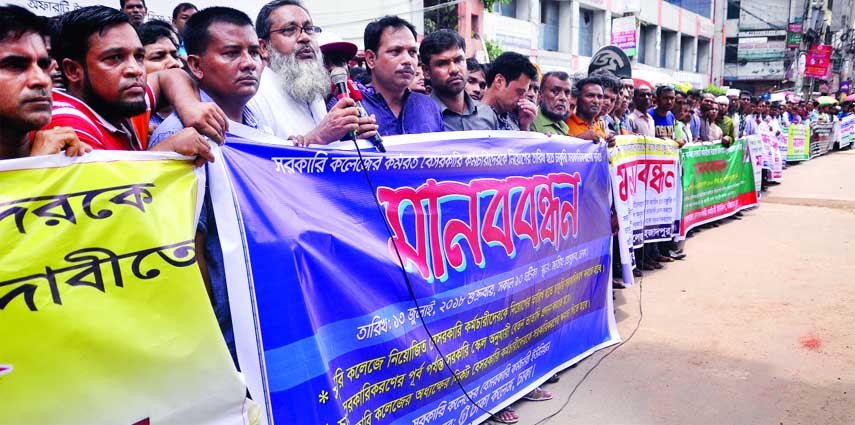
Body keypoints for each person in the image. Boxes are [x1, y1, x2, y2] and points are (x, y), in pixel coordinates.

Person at [148, 7, 267, 365]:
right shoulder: (180, 136)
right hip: (226, 336)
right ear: (196, 67)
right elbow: (187, 247)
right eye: (232, 53)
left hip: (262, 317)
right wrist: (208, 341)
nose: (248, 63)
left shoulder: (253, 122)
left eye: (254, 53)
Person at [47, 6, 223, 159]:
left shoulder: (121, 100)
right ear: (73, 70)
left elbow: (169, 77)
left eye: (139, 57)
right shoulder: (67, 127)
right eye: (114, 58)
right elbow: (106, 195)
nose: (135, 69)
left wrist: (190, 107)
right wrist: (163, 153)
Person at [250, 0, 375, 145]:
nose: (305, 37)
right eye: (289, 29)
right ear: (264, 47)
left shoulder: (310, 90)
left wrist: (350, 141)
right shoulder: (254, 96)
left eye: (309, 29)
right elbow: (258, 162)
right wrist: (317, 137)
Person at [0, 5, 90, 160]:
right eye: (14, 65)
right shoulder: (43, 162)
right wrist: (35, 174)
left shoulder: (66, 153)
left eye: (43, 65)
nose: (41, 79)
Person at [359, 16, 442, 136]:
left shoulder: (429, 107)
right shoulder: (349, 108)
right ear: (371, 59)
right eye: (396, 51)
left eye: (412, 52)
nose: (408, 60)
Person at [419, 29, 497, 131]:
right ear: (427, 71)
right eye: (442, 63)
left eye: (458, 60)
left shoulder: (486, 114)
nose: (454, 69)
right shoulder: (419, 119)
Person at [137, 20, 182, 129]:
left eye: (175, 56)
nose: (174, 63)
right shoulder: (127, 122)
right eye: (158, 57)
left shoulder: (203, 109)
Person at [481, 52, 538, 131]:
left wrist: (524, 125)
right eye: (520, 92)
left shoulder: (512, 118)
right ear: (499, 81)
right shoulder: (474, 119)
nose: (522, 99)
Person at [530, 71, 571, 136]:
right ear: (540, 95)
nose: (563, 98)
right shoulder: (530, 122)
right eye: (555, 91)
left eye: (567, 93)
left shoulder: (563, 125)